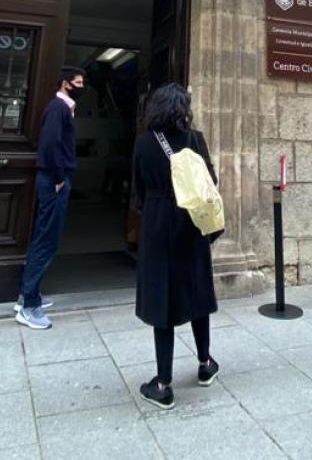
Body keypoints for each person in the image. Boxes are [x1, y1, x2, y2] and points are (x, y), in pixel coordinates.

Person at [131, 83, 220, 410]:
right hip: (191, 224)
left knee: (161, 298)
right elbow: (212, 182)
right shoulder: (195, 139)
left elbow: (138, 188)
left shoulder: (143, 143)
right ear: (183, 107)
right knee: (196, 290)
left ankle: (163, 383)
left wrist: (154, 206)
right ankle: (205, 364)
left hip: (157, 223)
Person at [14, 65, 86, 329]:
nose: (82, 87)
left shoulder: (64, 108)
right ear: (66, 84)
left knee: (44, 235)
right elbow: (50, 144)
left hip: (56, 176)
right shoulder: (58, 109)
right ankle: (29, 306)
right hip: (54, 179)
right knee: (47, 239)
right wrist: (58, 177)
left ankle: (27, 294)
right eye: (78, 82)